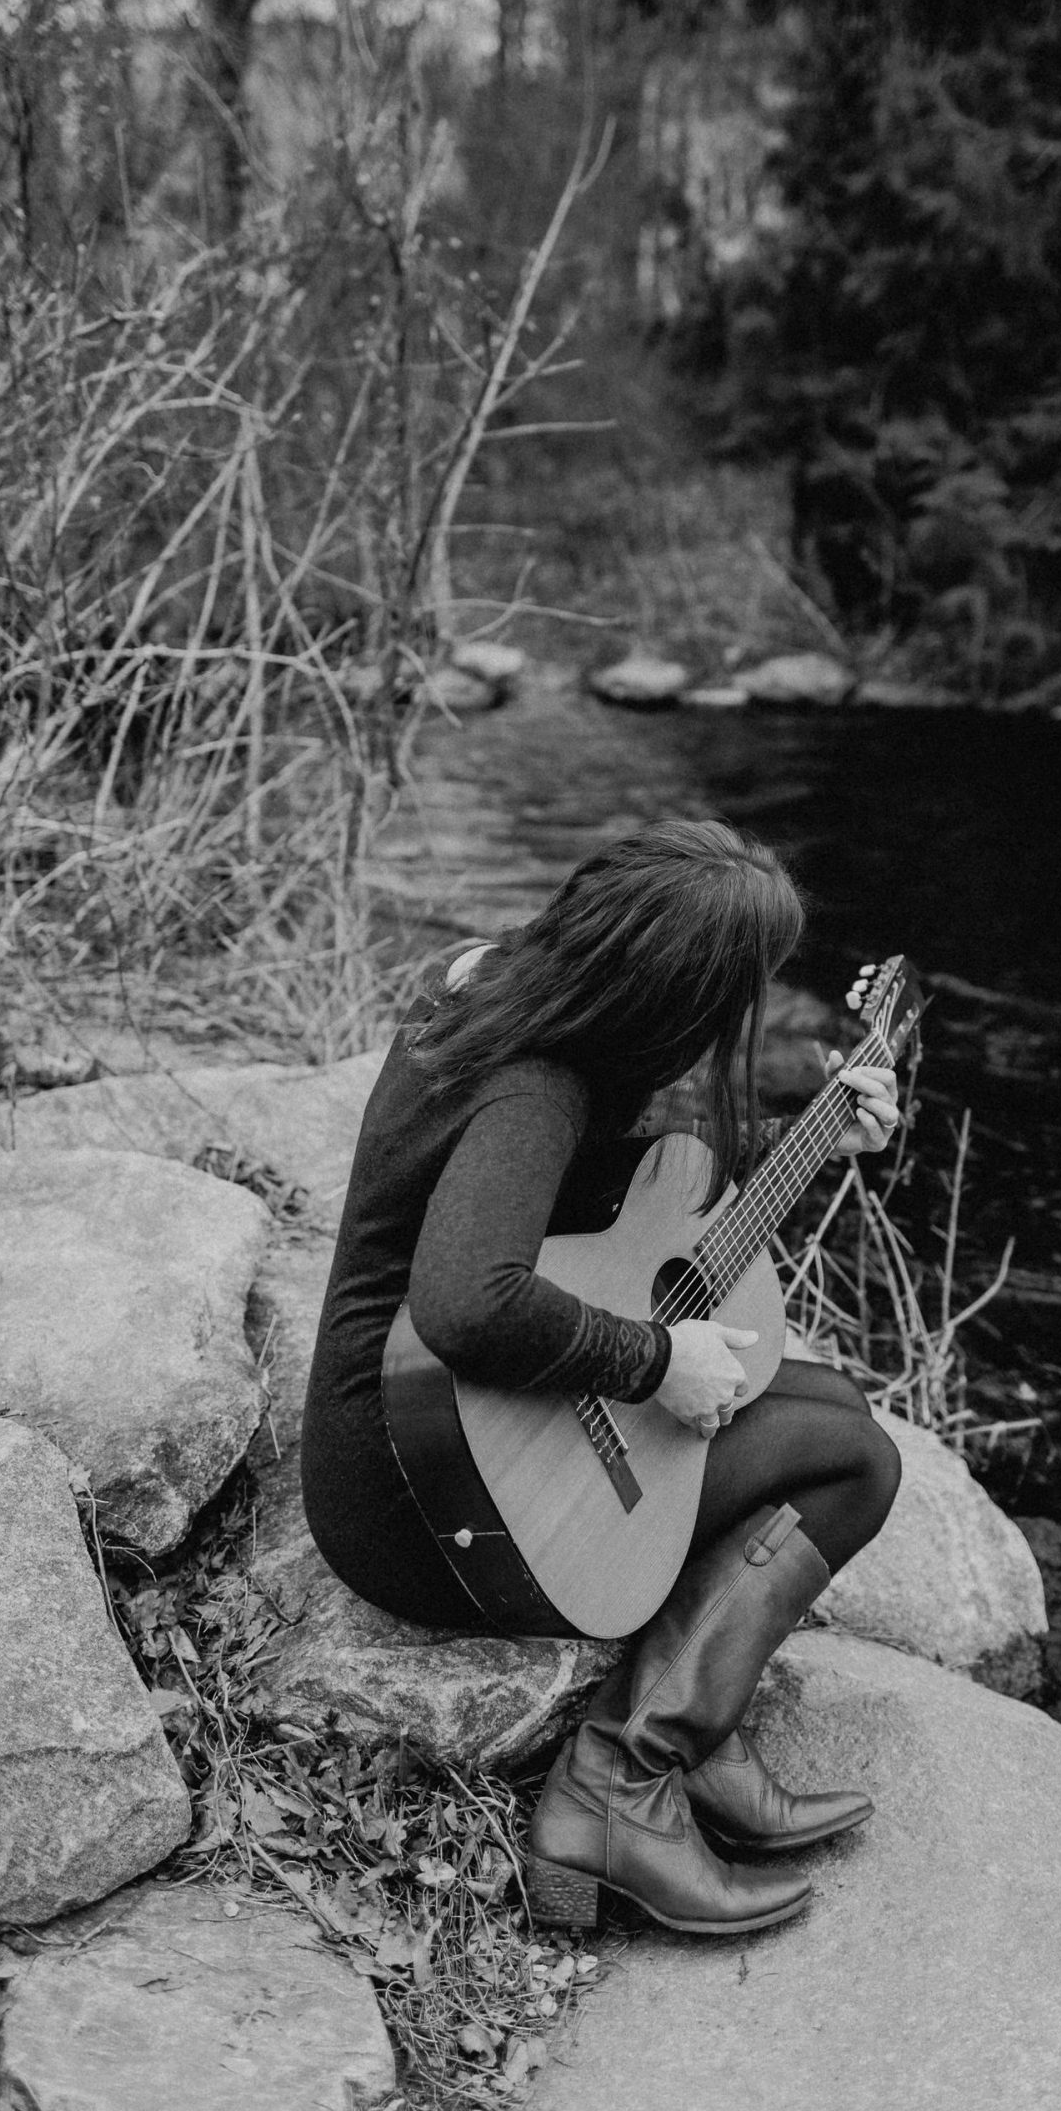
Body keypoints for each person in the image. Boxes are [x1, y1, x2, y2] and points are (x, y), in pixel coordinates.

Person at [300, 818, 902, 1938]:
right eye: (735, 998)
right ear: (671, 993)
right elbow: (466, 1301)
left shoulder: (493, 981)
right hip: (421, 1499)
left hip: (431, 1430)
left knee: (831, 1414)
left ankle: (694, 1742)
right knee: (858, 1463)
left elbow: (596, 1205)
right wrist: (653, 1357)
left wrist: (808, 1135)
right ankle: (618, 1787)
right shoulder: (540, 1085)